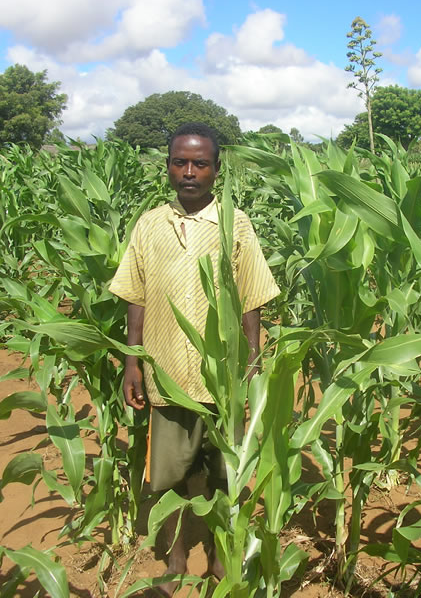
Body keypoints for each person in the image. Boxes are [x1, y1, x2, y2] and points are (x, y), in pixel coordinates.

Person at [109, 122, 280, 596]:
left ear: (216, 170)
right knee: (168, 478)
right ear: (167, 167)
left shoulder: (234, 223)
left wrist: (251, 364)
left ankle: (223, 564)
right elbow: (135, 295)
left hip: (221, 380)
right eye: (179, 162)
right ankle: (175, 563)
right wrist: (132, 361)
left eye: (199, 163)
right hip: (165, 373)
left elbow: (251, 298)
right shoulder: (149, 225)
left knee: (226, 474)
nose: (189, 172)